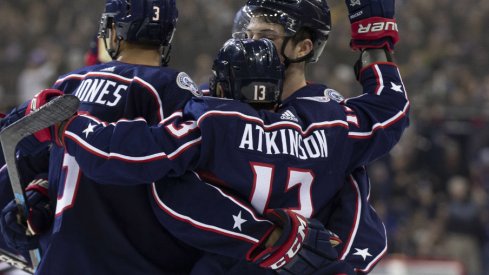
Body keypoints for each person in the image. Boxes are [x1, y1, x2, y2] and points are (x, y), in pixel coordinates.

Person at [1, 1, 346, 275]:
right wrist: (265, 235)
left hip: (61, 259)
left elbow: (21, 155)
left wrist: (36, 196)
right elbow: (197, 180)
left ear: (113, 31)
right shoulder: (172, 90)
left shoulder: (66, 85)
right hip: (143, 261)